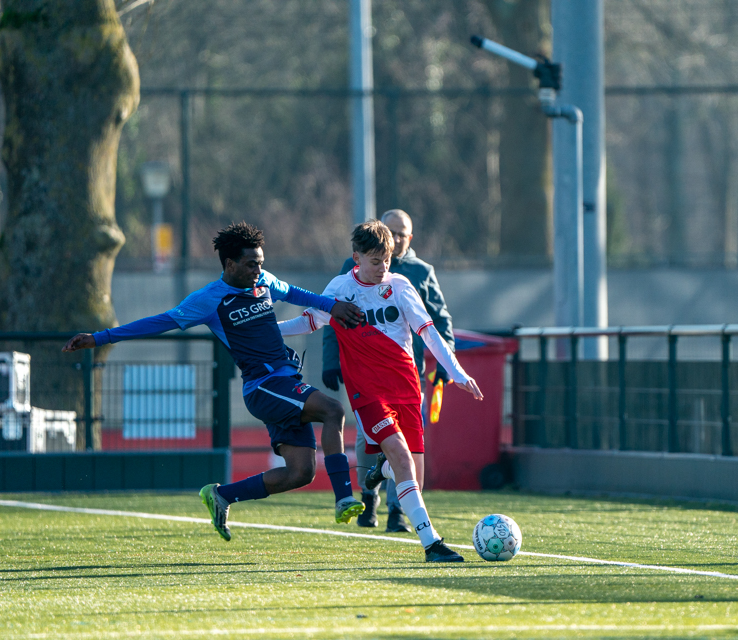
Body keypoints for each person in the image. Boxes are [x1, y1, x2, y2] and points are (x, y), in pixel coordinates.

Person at [62, 222, 367, 541]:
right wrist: (100, 338)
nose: (258, 270)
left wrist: (331, 306)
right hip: (264, 386)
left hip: (284, 383)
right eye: (251, 264)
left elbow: (293, 292)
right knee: (333, 410)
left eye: (260, 263)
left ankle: (222, 495)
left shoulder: (263, 281)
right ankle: (344, 498)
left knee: (300, 473)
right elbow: (159, 322)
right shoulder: (209, 300)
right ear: (230, 264)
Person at [280, 220, 483, 562]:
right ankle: (432, 544)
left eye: (387, 260)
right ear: (356, 257)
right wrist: (265, 330)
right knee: (402, 459)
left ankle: (382, 470)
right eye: (375, 261)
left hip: (406, 387)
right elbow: (308, 322)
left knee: (413, 479)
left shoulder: (400, 285)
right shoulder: (340, 289)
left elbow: (428, 331)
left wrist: (457, 372)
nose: (382, 268)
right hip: (368, 393)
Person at [322, 209, 455, 532]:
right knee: (369, 438)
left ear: (410, 238)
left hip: (407, 374)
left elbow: (439, 320)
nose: (395, 238)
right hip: (365, 376)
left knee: (406, 446)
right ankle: (369, 495)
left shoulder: (419, 273)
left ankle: (398, 511)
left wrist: (446, 364)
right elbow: (330, 314)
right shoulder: (353, 268)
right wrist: (330, 360)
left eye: (401, 234)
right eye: (390, 231)